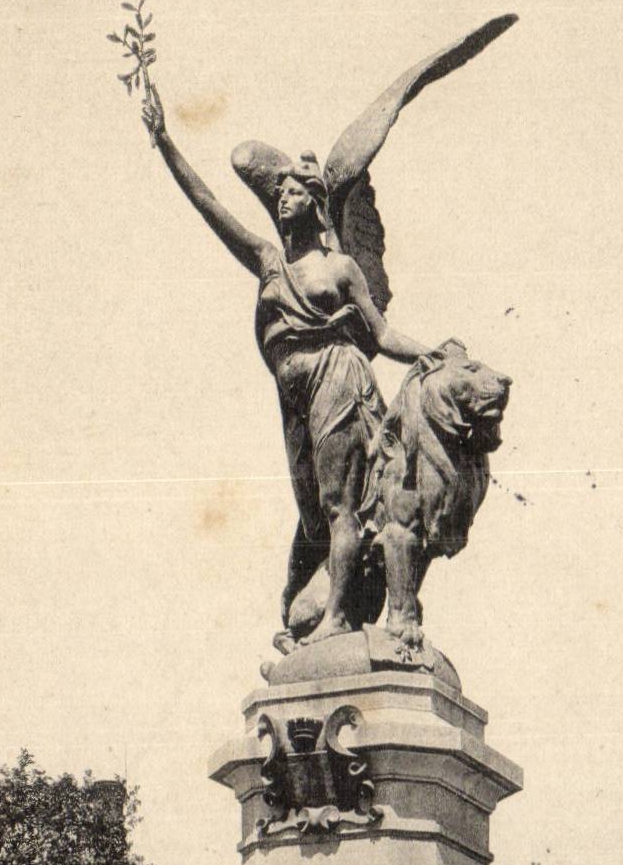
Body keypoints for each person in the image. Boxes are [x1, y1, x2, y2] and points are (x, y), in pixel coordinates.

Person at [140, 85, 430, 644]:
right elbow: (210, 207)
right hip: (293, 395)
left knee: (340, 503)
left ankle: (339, 618)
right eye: (279, 197)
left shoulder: (341, 267)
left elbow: (382, 333)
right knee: (315, 513)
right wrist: (165, 143)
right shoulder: (269, 260)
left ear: (315, 201)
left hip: (338, 379)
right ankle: (325, 608)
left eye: (292, 194)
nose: (282, 201)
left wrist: (431, 352)